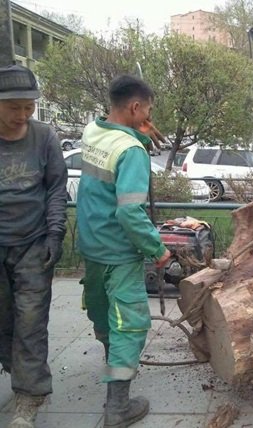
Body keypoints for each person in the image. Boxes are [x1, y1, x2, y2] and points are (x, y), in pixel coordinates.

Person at [77, 75, 171, 428]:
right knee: (129, 326)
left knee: (103, 313)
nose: (149, 116)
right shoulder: (131, 152)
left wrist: (138, 133)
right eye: (147, 110)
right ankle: (118, 406)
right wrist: (157, 248)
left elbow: (112, 157)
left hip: (91, 244)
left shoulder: (93, 132)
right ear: (135, 107)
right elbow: (130, 212)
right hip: (119, 251)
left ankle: (111, 362)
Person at [0, 65, 68, 427]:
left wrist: (55, 234)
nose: (22, 115)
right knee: (4, 318)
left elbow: (56, 188)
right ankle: (15, 367)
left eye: (29, 107)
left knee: (30, 320)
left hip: (33, 243)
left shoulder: (44, 138)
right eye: (14, 107)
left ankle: (29, 395)